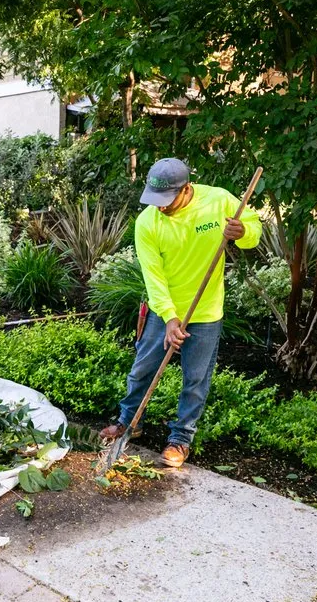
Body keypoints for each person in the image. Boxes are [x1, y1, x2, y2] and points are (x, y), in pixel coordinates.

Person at [99, 158, 262, 467]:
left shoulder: (218, 201)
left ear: (187, 188)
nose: (160, 207)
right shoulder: (147, 223)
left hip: (206, 311)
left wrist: (242, 232)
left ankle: (180, 439)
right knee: (142, 369)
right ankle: (129, 421)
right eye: (155, 200)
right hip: (164, 310)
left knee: (195, 379)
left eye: (167, 201)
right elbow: (154, 277)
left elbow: (254, 230)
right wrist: (170, 317)